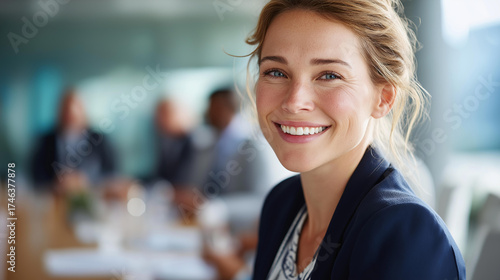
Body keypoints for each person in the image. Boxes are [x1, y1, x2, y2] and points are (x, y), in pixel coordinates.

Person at [247, 0, 466, 279]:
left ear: (383, 98)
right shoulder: (282, 203)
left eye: (329, 75)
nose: (294, 102)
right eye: (276, 72)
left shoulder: (403, 233)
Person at [31, 89, 116, 192]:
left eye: (76, 109)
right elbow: (36, 175)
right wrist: (55, 183)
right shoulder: (46, 141)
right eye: (67, 110)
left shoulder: (99, 139)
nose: (71, 115)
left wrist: (86, 181)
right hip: (55, 199)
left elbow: (112, 173)